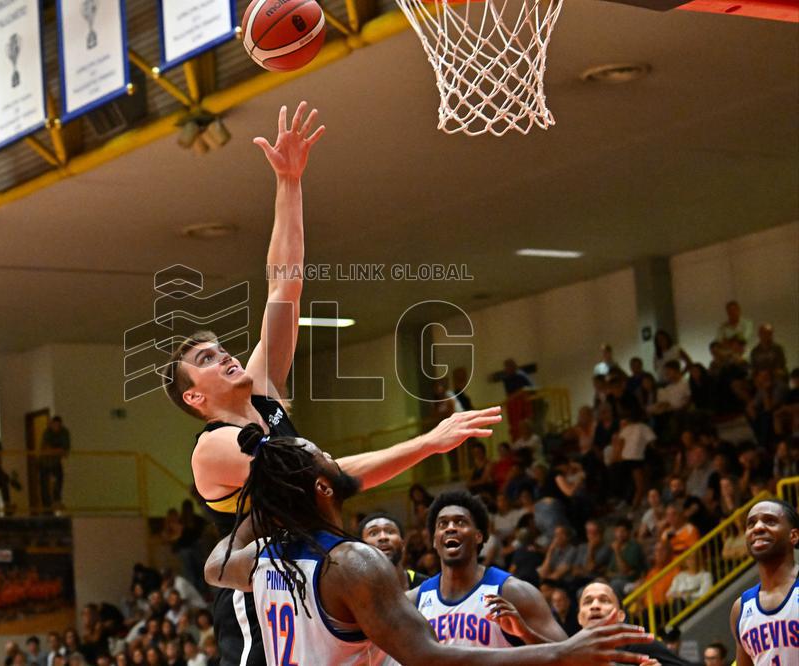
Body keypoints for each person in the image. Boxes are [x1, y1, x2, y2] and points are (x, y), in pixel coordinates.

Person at [164, 99, 503, 666]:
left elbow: (284, 285)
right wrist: (427, 442)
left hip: (311, 578)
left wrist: (289, 183)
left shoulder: (264, 394)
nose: (223, 354)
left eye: (220, 347)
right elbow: (330, 477)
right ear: (195, 397)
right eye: (206, 358)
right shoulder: (213, 447)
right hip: (257, 604)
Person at [205, 424, 654, 666]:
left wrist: (269, 502)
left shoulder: (262, 558)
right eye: (326, 457)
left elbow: (214, 567)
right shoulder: (351, 563)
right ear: (323, 487)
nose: (337, 460)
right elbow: (428, 657)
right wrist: (562, 652)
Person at [412, 490, 567, 647]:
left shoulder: (513, 592)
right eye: (442, 524)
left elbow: (568, 655)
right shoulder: (415, 601)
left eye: (460, 522)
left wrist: (525, 634)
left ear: (478, 536)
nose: (450, 528)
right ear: (434, 540)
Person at [730, 498, 799, 666]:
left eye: (770, 521)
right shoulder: (741, 608)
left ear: (794, 536)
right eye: (751, 523)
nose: (758, 527)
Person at [577, 581, 694, 666]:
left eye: (604, 600)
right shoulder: (571, 656)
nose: (595, 606)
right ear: (580, 618)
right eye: (588, 602)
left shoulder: (641, 645)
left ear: (620, 616)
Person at [359, 512, 423, 590]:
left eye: (390, 532)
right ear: (361, 547)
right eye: (373, 533)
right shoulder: (353, 591)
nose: (383, 537)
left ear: (403, 544)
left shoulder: (426, 586)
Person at [39, 415, 70, 512]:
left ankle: (56, 501)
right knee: (44, 484)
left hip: (55, 461)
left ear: (60, 425)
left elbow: (65, 451)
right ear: (51, 424)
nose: (56, 427)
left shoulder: (64, 432)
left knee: (59, 479)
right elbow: (46, 448)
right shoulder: (47, 432)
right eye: (54, 425)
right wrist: (58, 450)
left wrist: (54, 451)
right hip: (44, 461)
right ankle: (46, 507)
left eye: (58, 425)